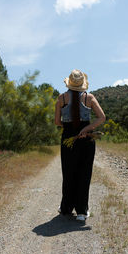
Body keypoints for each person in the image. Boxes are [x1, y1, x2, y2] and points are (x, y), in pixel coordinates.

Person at [54, 69, 106, 221]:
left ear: (69, 83)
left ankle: (66, 208)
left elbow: (57, 121)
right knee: (84, 173)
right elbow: (101, 117)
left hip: (68, 138)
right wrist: (86, 129)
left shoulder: (61, 98)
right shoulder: (89, 97)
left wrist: (69, 129)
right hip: (86, 139)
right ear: (82, 84)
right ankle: (82, 212)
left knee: (69, 172)